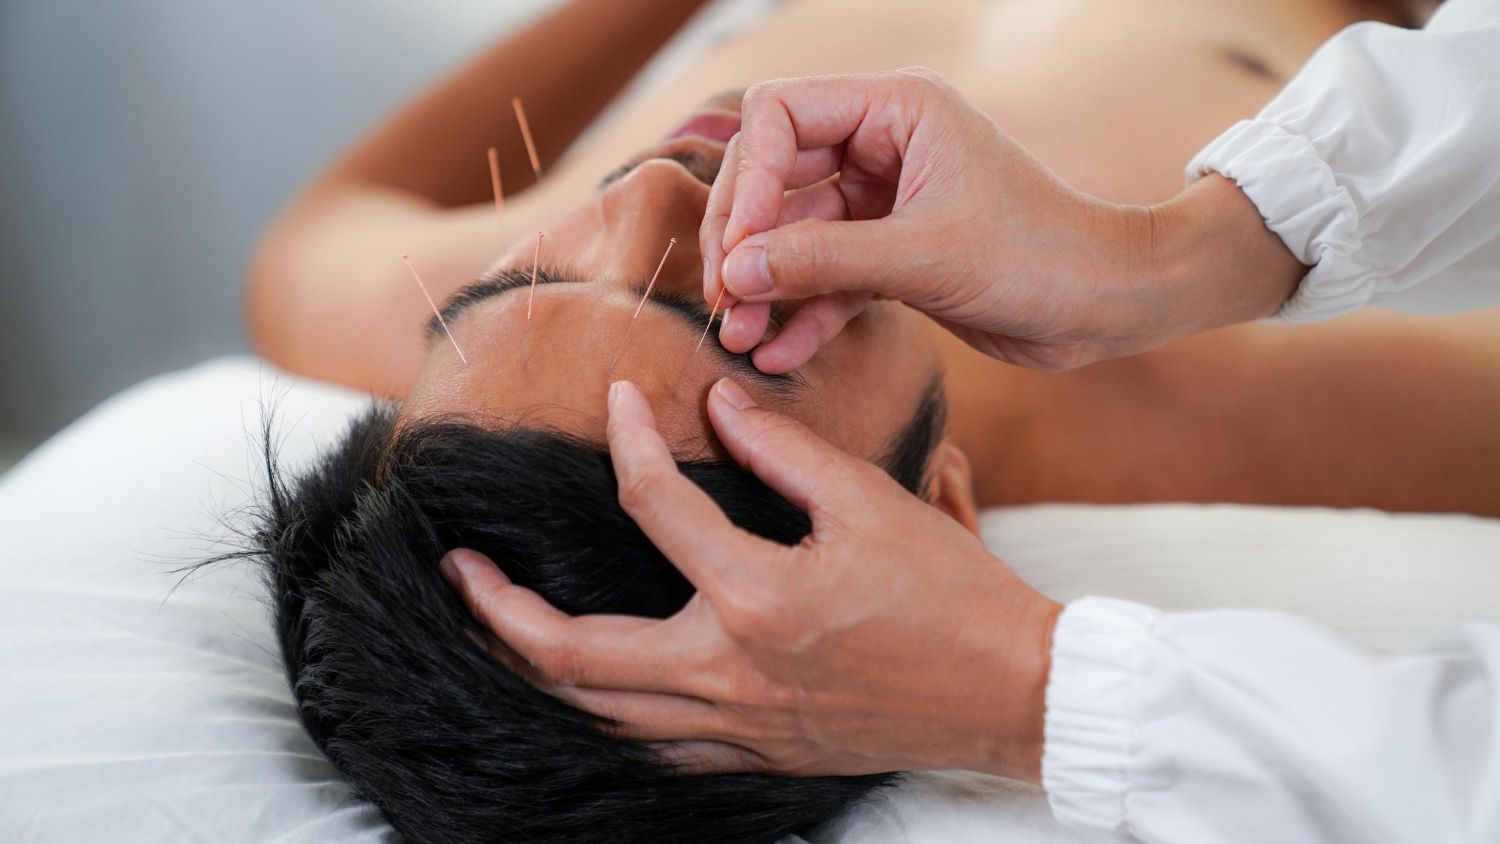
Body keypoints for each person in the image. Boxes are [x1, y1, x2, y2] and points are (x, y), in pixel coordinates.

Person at [245, 0, 1499, 839]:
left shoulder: (421, 344)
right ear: (933, 516)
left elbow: (309, 234)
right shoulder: (1321, 410)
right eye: (717, 318)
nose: (644, 191)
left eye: (517, 279)